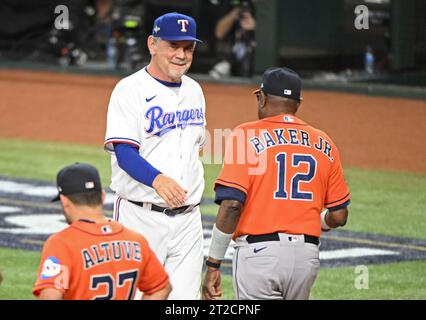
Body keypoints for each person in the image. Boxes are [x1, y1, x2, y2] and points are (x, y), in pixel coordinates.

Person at [202, 67, 351, 300]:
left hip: (260, 256)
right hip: (307, 258)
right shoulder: (325, 142)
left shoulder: (246, 135)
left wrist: (213, 263)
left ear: (261, 98)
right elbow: (339, 215)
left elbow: (232, 204)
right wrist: (317, 222)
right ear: (298, 103)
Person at [104, 12, 206, 299]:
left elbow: (195, 147)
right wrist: (158, 179)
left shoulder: (195, 90)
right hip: (141, 217)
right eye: (173, 46)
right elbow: (124, 152)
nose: (181, 55)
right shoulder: (129, 89)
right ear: (152, 44)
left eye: (188, 48)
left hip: (189, 220)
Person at [33, 163, 171, 300]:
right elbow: (161, 288)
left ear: (64, 201)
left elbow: (50, 296)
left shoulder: (62, 243)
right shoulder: (135, 240)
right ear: (103, 196)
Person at [208, 0, 256, 78]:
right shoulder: (233, 8)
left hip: (253, 60)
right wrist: (236, 12)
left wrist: (254, 28)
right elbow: (219, 33)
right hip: (232, 60)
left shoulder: (261, 11)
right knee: (221, 68)